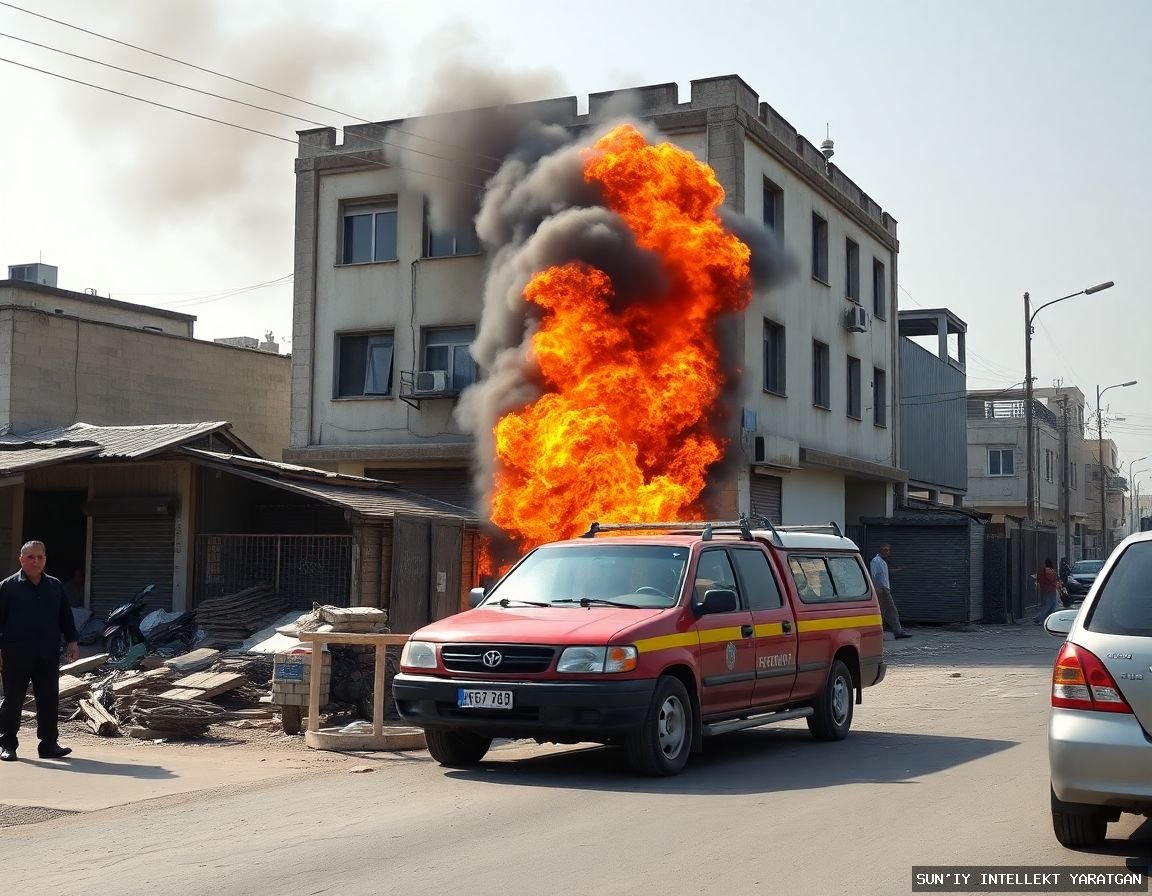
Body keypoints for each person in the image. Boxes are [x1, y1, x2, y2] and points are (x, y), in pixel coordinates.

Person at [0, 541, 80, 762]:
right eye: (31, 557)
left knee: (48, 698)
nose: (36, 561)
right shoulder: (7, 587)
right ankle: (7, 744)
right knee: (13, 699)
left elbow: (66, 616)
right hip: (15, 652)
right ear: (21, 559)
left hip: (47, 651)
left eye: (40, 557)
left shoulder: (55, 586)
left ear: (45, 559)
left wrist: (72, 641)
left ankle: (48, 744)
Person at [870, 544, 911, 639]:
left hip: (884, 588)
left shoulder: (883, 562)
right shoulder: (876, 561)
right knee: (890, 610)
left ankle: (893, 632)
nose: (887, 552)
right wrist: (881, 589)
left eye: (888, 550)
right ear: (880, 550)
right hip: (881, 589)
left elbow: (884, 574)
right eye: (885, 550)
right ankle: (896, 632)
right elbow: (874, 575)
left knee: (885, 611)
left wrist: (896, 570)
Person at [1032, 557, 1062, 625]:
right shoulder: (1050, 571)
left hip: (1045, 590)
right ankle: (1039, 618)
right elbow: (1052, 580)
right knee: (1051, 605)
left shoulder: (1042, 571)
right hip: (1051, 590)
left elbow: (1039, 579)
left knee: (1048, 605)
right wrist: (1057, 583)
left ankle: (1046, 619)